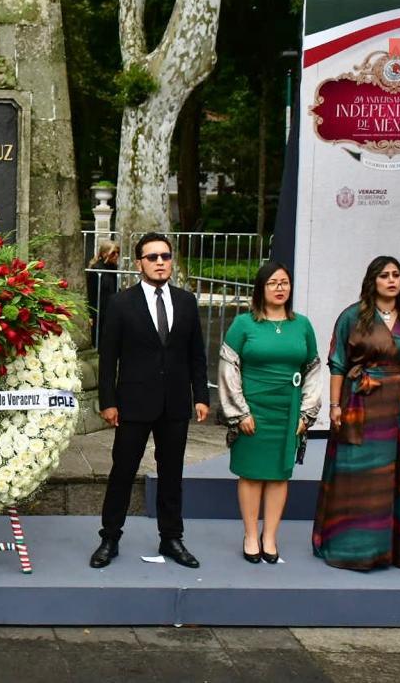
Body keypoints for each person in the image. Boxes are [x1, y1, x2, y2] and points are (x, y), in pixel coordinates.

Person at [91, 233, 210, 569]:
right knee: (123, 471)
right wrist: (107, 401)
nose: (160, 262)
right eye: (152, 257)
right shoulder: (121, 303)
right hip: (133, 402)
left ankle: (171, 538)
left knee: (172, 473)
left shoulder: (186, 302)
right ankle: (109, 537)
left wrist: (201, 396)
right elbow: (108, 357)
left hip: (175, 403)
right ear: (139, 263)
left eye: (165, 256)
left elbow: (196, 355)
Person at [312, 256, 400, 571]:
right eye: (384, 275)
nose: (391, 280)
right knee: (357, 472)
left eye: (396, 275)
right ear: (372, 281)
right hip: (360, 401)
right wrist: (335, 405)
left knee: (399, 472)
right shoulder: (352, 316)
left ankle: (396, 548)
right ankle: (354, 547)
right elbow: (338, 363)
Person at [218, 262, 322, 564]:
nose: (280, 288)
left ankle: (270, 537)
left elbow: (313, 369)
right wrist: (240, 413)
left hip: (288, 411)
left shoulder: (302, 325)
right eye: (273, 283)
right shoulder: (243, 324)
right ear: (261, 289)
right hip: (252, 409)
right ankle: (251, 535)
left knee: (279, 475)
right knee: (251, 474)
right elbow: (228, 368)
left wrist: (306, 413)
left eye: (284, 282)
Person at [85, 240, 120, 347]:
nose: (116, 255)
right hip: (99, 309)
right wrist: (90, 314)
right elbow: (91, 292)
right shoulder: (96, 269)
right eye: (113, 253)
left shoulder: (113, 267)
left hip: (110, 307)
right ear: (105, 253)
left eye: (118, 252)